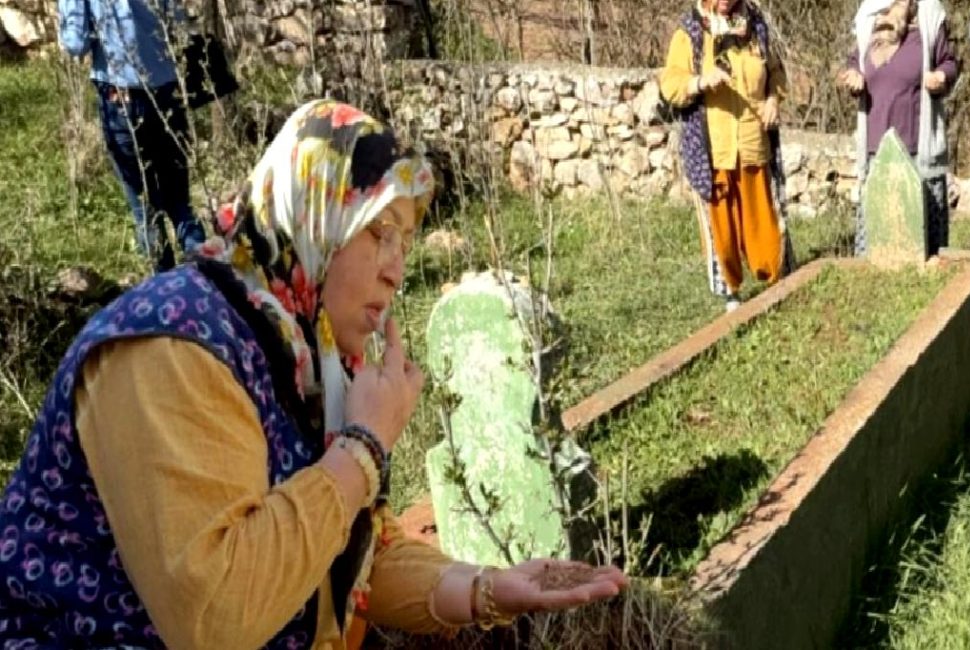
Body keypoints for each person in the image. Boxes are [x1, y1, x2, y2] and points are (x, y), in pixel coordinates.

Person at [0, 100, 628, 648]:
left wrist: (487, 589)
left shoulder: (304, 352)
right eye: (378, 231)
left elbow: (348, 550)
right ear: (313, 213)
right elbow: (216, 618)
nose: (396, 270)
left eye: (405, 243)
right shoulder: (172, 345)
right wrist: (362, 450)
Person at [659, 0, 791, 313]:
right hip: (713, 150)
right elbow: (670, 84)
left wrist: (773, 100)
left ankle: (777, 284)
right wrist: (699, 82)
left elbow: (776, 73)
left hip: (753, 143)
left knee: (764, 225)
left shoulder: (756, 25)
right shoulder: (690, 31)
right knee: (723, 230)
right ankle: (731, 292)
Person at [58, 0, 207, 271]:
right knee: (180, 203)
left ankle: (167, 290)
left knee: (146, 210)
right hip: (167, 94)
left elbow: (76, 43)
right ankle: (207, 279)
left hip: (122, 100)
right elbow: (178, 23)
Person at [839, 0, 959, 258]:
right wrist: (853, 76)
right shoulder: (868, 18)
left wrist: (941, 76)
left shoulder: (928, 18)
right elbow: (854, 62)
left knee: (926, 243)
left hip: (918, 150)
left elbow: (949, 62)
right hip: (876, 151)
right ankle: (874, 278)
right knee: (876, 236)